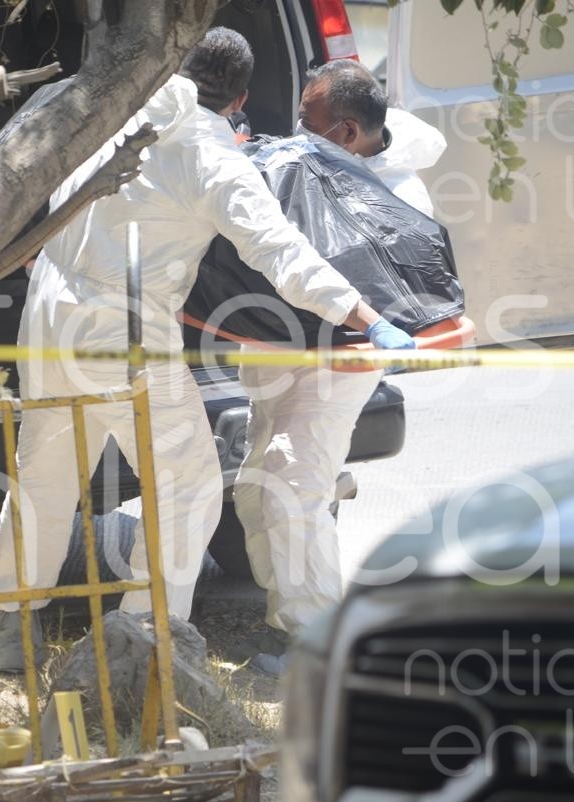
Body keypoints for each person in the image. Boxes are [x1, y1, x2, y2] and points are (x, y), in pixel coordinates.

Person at [0, 30, 415, 672]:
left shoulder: (112, 111)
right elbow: (280, 254)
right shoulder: (212, 156)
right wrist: (363, 314)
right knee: (187, 484)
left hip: (47, 311)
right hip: (125, 334)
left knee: (45, 474)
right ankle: (145, 639)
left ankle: (11, 631)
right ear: (240, 97)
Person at [234, 59, 447, 675]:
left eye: (310, 121)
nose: (298, 131)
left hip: (337, 363)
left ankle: (319, 648)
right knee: (258, 494)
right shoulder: (319, 163)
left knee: (292, 485)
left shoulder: (396, 198)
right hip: (284, 357)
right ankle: (293, 625)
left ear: (348, 132)